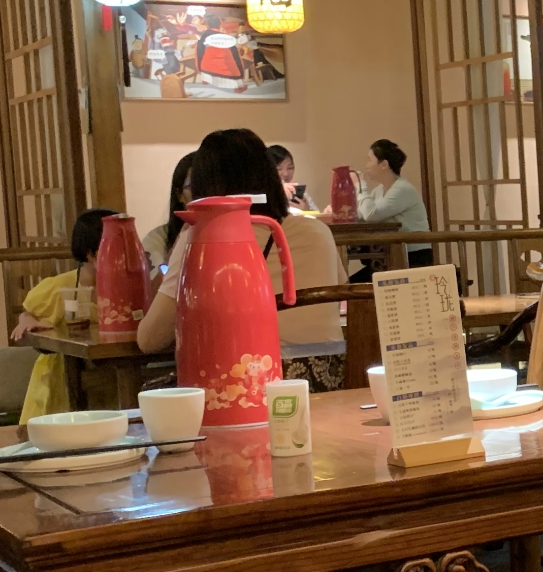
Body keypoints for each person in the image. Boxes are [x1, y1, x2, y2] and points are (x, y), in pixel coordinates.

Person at [138, 129, 345, 388]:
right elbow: (338, 297)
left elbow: (150, 339)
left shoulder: (202, 235)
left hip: (256, 385)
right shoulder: (318, 231)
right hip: (330, 380)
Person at [11, 207, 115, 422]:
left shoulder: (129, 285)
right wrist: (28, 321)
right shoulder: (59, 288)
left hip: (110, 371)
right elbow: (27, 314)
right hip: (62, 378)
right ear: (90, 253)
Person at [331, 139, 431, 276]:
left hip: (413, 257)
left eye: (370, 160)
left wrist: (361, 186)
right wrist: (338, 212)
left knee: (355, 285)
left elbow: (371, 214)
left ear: (384, 164)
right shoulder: (379, 190)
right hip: (389, 255)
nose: (366, 166)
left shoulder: (402, 189)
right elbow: (362, 214)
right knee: (351, 283)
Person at [142, 152, 197, 272]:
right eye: (194, 187)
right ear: (179, 195)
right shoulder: (157, 239)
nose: (202, 195)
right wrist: (171, 260)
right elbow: (151, 283)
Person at [268, 144, 308, 209]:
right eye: (279, 169)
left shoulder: (299, 192)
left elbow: (318, 214)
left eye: (290, 168)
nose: (286, 174)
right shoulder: (263, 195)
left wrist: (306, 210)